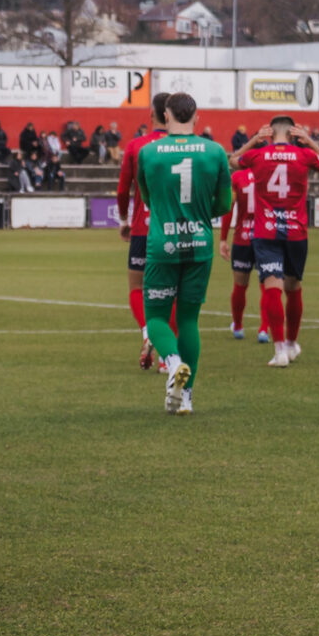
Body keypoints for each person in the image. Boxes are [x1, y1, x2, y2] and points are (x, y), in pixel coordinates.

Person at [136, 95, 232, 415]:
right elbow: (224, 204)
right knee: (189, 319)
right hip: (200, 243)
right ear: (196, 117)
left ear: (165, 115)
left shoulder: (148, 151)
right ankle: (186, 397)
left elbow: (147, 199)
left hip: (163, 244)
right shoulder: (215, 151)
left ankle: (174, 362)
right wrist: (200, 214)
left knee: (156, 318)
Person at [235, 118, 319, 369]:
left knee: (272, 289)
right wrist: (310, 142)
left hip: (266, 231)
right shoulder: (304, 154)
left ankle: (279, 351)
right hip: (295, 231)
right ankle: (291, 343)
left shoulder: (258, 154)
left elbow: (233, 161)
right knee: (293, 288)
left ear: (270, 133)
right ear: (293, 134)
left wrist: (253, 140)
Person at [113, 95, 176, 370]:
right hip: (174, 229)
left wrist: (124, 219)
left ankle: (148, 332)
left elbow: (122, 190)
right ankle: (166, 358)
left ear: (152, 114)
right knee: (172, 291)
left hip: (143, 228)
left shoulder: (136, 146)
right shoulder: (185, 146)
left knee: (137, 287)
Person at [224, 156, 260, 342]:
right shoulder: (267, 172)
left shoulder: (237, 177)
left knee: (240, 285)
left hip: (243, 237)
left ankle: (238, 326)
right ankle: (264, 329)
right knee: (268, 286)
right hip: (266, 236)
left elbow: (228, 208)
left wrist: (223, 238)